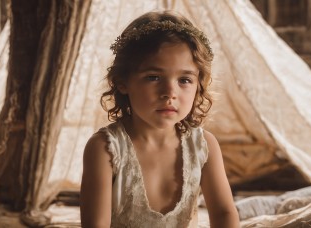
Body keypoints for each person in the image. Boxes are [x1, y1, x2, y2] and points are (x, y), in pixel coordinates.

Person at [80, 10, 239, 228]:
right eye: (153, 77)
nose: (169, 92)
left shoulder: (204, 146)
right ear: (122, 82)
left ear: (199, 85)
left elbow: (223, 213)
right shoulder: (105, 149)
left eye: (184, 80)